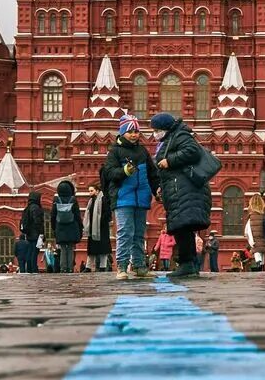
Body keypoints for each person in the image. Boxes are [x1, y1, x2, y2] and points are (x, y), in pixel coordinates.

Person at [151, 112, 211, 279]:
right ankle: (189, 263)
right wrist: (161, 186)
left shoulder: (180, 135)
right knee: (183, 227)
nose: (155, 134)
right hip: (178, 190)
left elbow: (192, 151)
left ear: (165, 128)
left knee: (182, 226)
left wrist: (170, 161)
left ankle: (187, 264)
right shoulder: (171, 138)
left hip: (185, 190)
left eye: (156, 130)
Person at [101, 115, 155, 279]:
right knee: (125, 232)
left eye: (136, 131)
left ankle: (139, 266)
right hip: (123, 197)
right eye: (130, 131)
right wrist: (124, 171)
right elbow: (109, 173)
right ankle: (122, 266)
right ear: (122, 132)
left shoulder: (142, 151)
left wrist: (157, 189)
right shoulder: (115, 151)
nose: (133, 135)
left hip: (141, 198)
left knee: (139, 233)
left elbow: (152, 173)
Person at [51, 180, 83, 273]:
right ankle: (70, 268)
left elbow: (53, 215)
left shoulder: (56, 200)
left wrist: (53, 227)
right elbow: (77, 215)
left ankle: (63, 268)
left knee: (62, 248)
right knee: (70, 247)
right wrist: (80, 226)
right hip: (72, 227)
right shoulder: (73, 200)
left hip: (60, 227)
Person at [84, 187, 114, 274]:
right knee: (91, 250)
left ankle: (102, 267)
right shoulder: (91, 201)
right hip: (92, 228)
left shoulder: (103, 199)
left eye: (91, 191)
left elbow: (107, 213)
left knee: (103, 249)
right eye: (89, 191)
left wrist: (100, 221)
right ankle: (88, 267)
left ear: (97, 191)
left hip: (102, 229)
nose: (90, 193)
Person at [18, 191, 44, 274]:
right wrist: (41, 233)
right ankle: (33, 269)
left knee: (30, 251)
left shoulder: (28, 208)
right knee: (34, 252)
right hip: (35, 234)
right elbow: (37, 221)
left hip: (29, 234)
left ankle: (29, 268)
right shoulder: (35, 208)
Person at [243, 194, 265, 270]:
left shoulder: (251, 213)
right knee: (262, 250)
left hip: (254, 235)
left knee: (256, 249)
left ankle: (258, 262)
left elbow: (248, 229)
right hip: (264, 235)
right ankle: (261, 264)